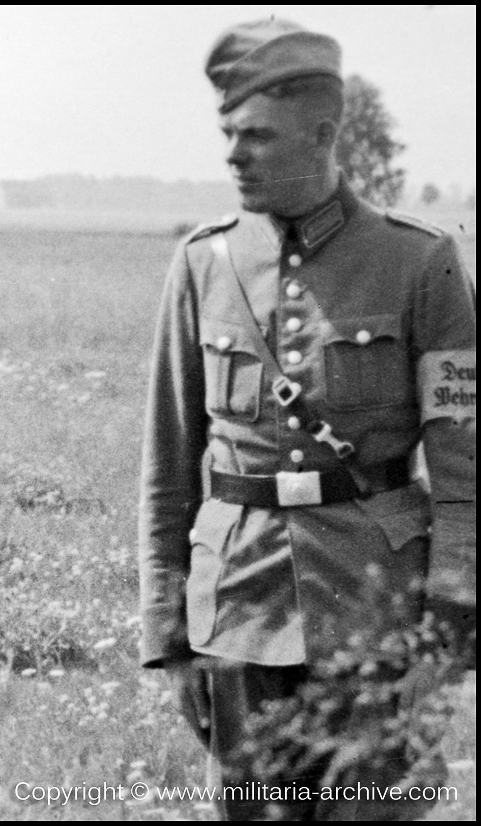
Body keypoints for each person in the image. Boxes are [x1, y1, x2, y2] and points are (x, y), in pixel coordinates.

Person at [137, 18, 475, 821]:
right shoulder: (202, 263)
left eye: (257, 135)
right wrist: (169, 634)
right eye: (228, 134)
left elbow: (466, 471)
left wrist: (449, 625)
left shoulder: (420, 262)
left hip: (380, 613)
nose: (233, 155)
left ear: (324, 135)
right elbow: (167, 466)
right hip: (238, 611)